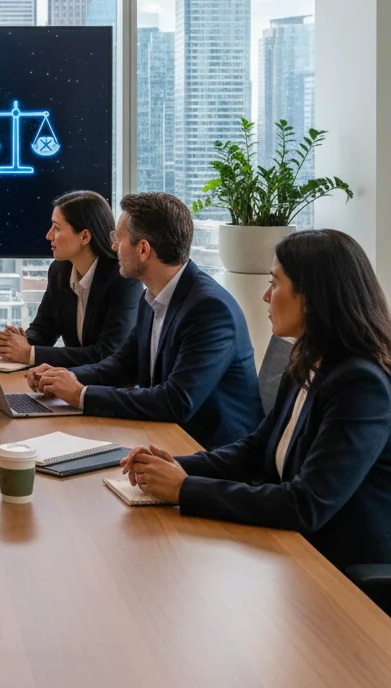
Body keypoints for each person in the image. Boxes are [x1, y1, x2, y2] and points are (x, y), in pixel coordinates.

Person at [122, 229, 391, 571]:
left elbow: (306, 504)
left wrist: (185, 489)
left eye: (275, 283)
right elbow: (256, 449)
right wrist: (175, 466)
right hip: (290, 550)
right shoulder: (309, 359)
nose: (266, 296)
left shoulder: (361, 385)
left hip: (339, 571)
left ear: (311, 296)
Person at [28, 192, 263, 450]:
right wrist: (63, 377)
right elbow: (122, 365)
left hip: (210, 454)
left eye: (119, 239)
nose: (113, 247)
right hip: (163, 438)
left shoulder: (209, 309)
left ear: (143, 250)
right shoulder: (152, 296)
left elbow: (176, 401)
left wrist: (80, 395)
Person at [0, 190, 140, 367]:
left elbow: (107, 353)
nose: (48, 235)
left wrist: (29, 353)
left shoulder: (124, 278)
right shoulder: (59, 271)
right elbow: (43, 330)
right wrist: (18, 341)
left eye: (57, 228)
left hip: (112, 390)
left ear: (85, 236)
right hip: (70, 383)